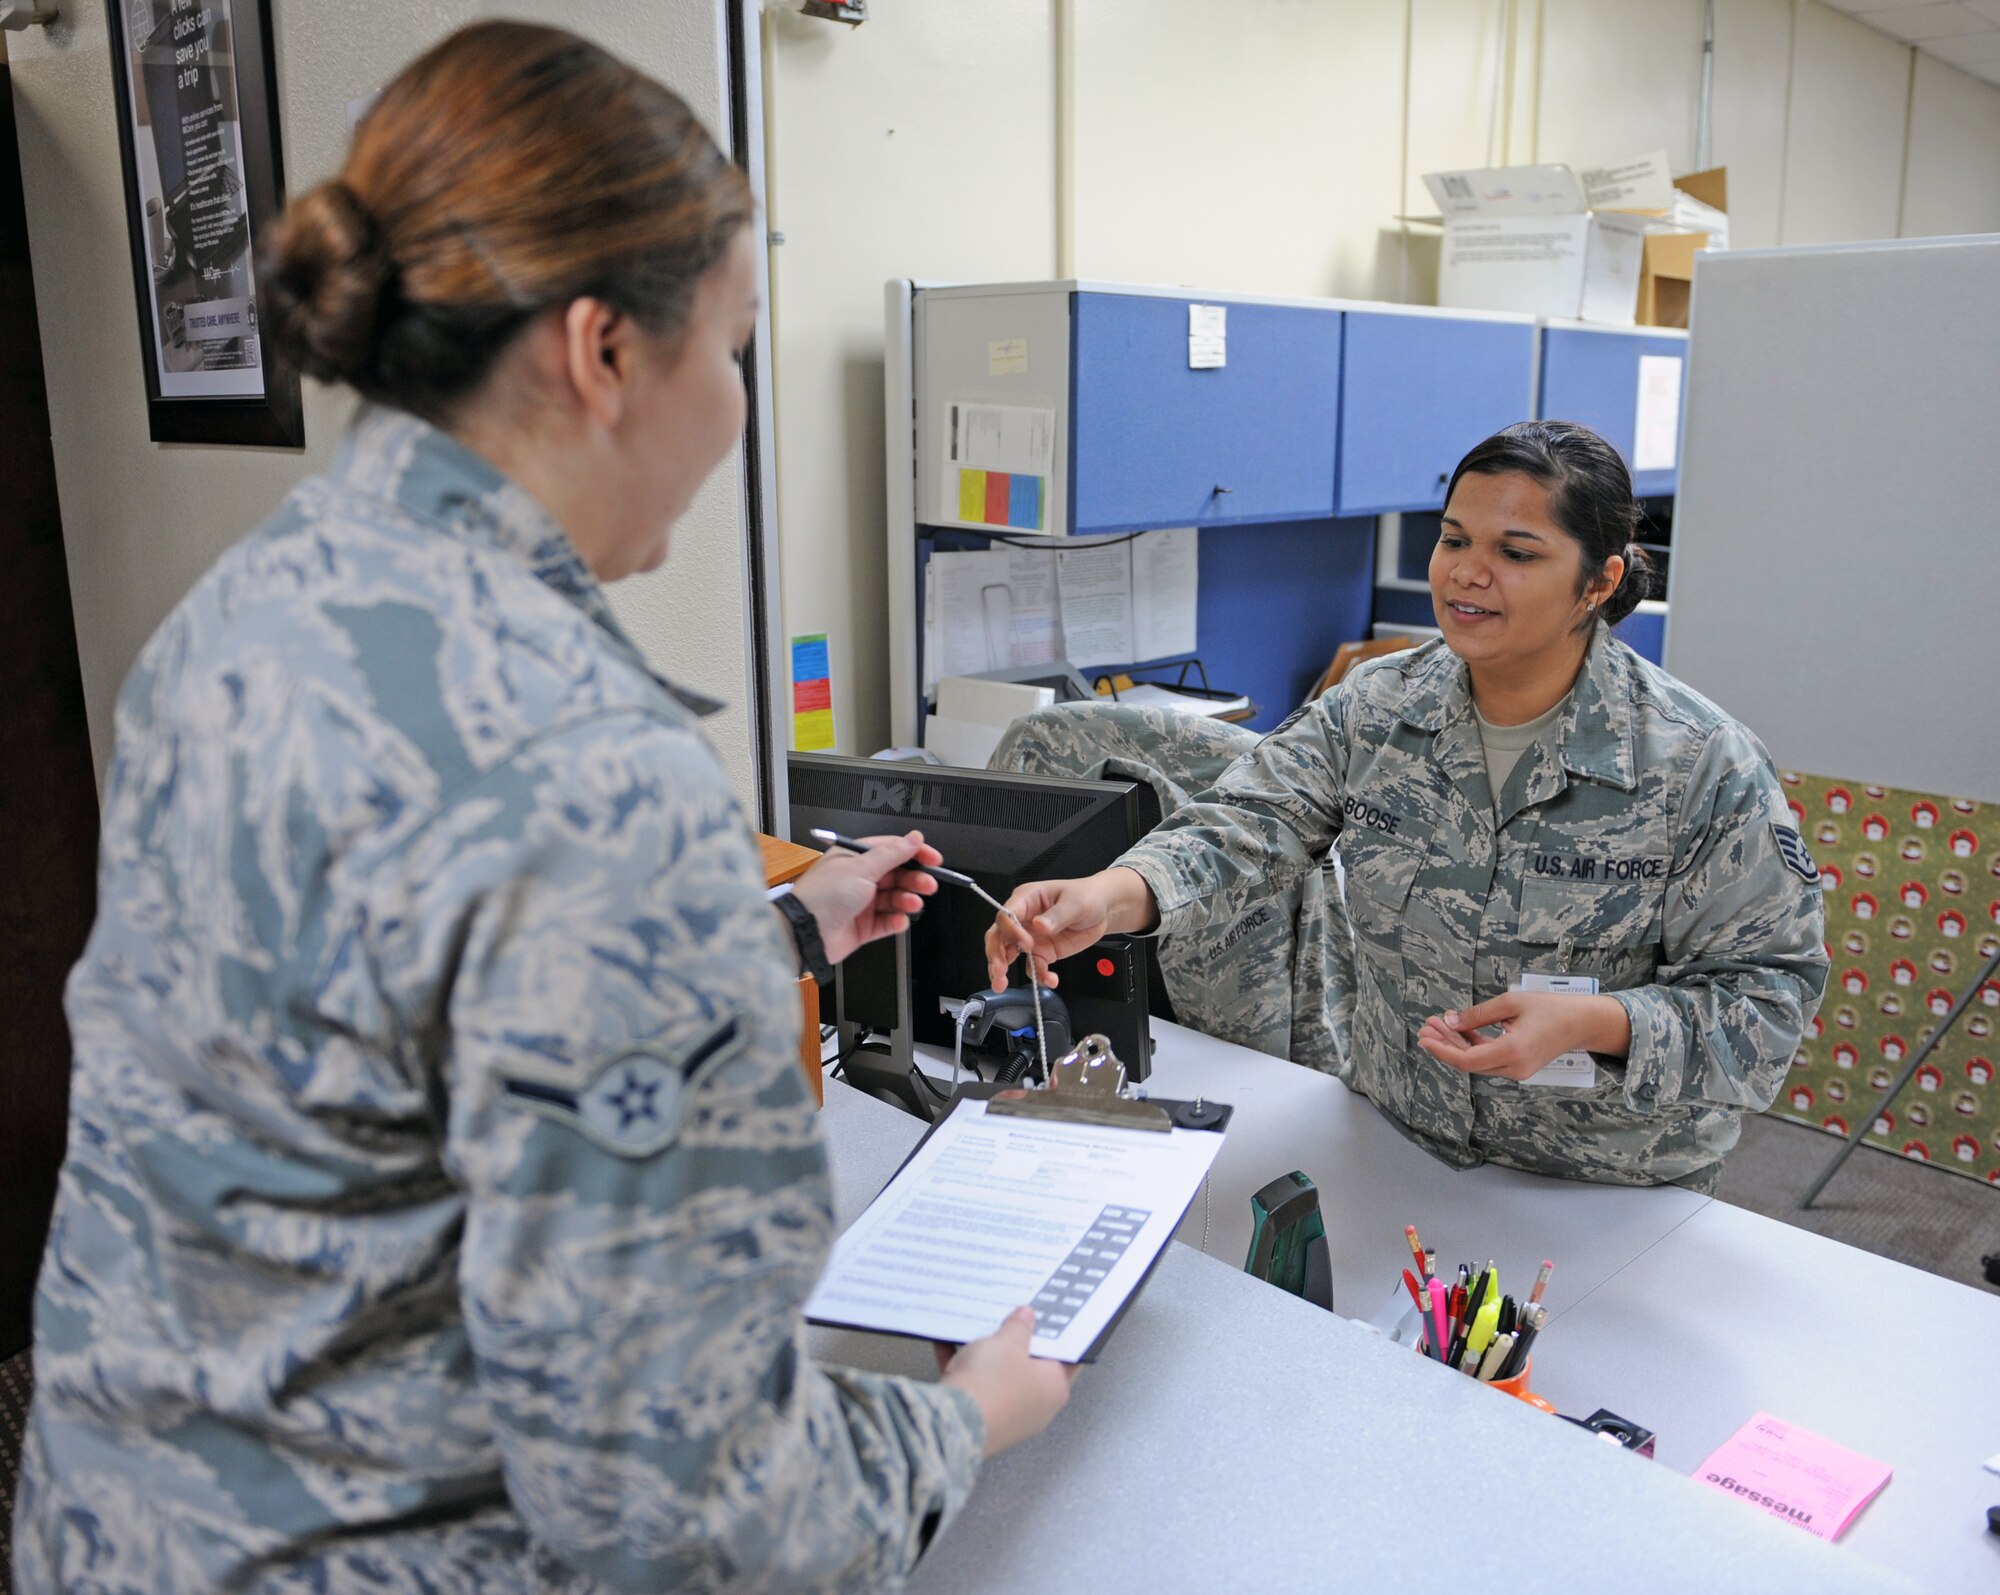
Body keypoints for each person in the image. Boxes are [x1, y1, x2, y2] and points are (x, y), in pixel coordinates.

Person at [15, 23, 1069, 1594]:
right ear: (603, 351)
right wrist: (963, 1418)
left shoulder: (241, 617)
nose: (732, 409)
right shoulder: (592, 776)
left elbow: (369, 1016)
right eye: (731, 348)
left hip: (123, 1518)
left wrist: (777, 920)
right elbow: (693, 1509)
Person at [986, 420, 1828, 1193]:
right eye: (1454, 538)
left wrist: (1593, 1021)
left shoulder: (1700, 765)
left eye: (1517, 551)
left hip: (1607, 1188)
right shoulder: (1379, 707)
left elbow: (1768, 1006)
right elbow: (1245, 821)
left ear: (1598, 581)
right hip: (1400, 1146)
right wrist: (1111, 894)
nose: (1467, 571)